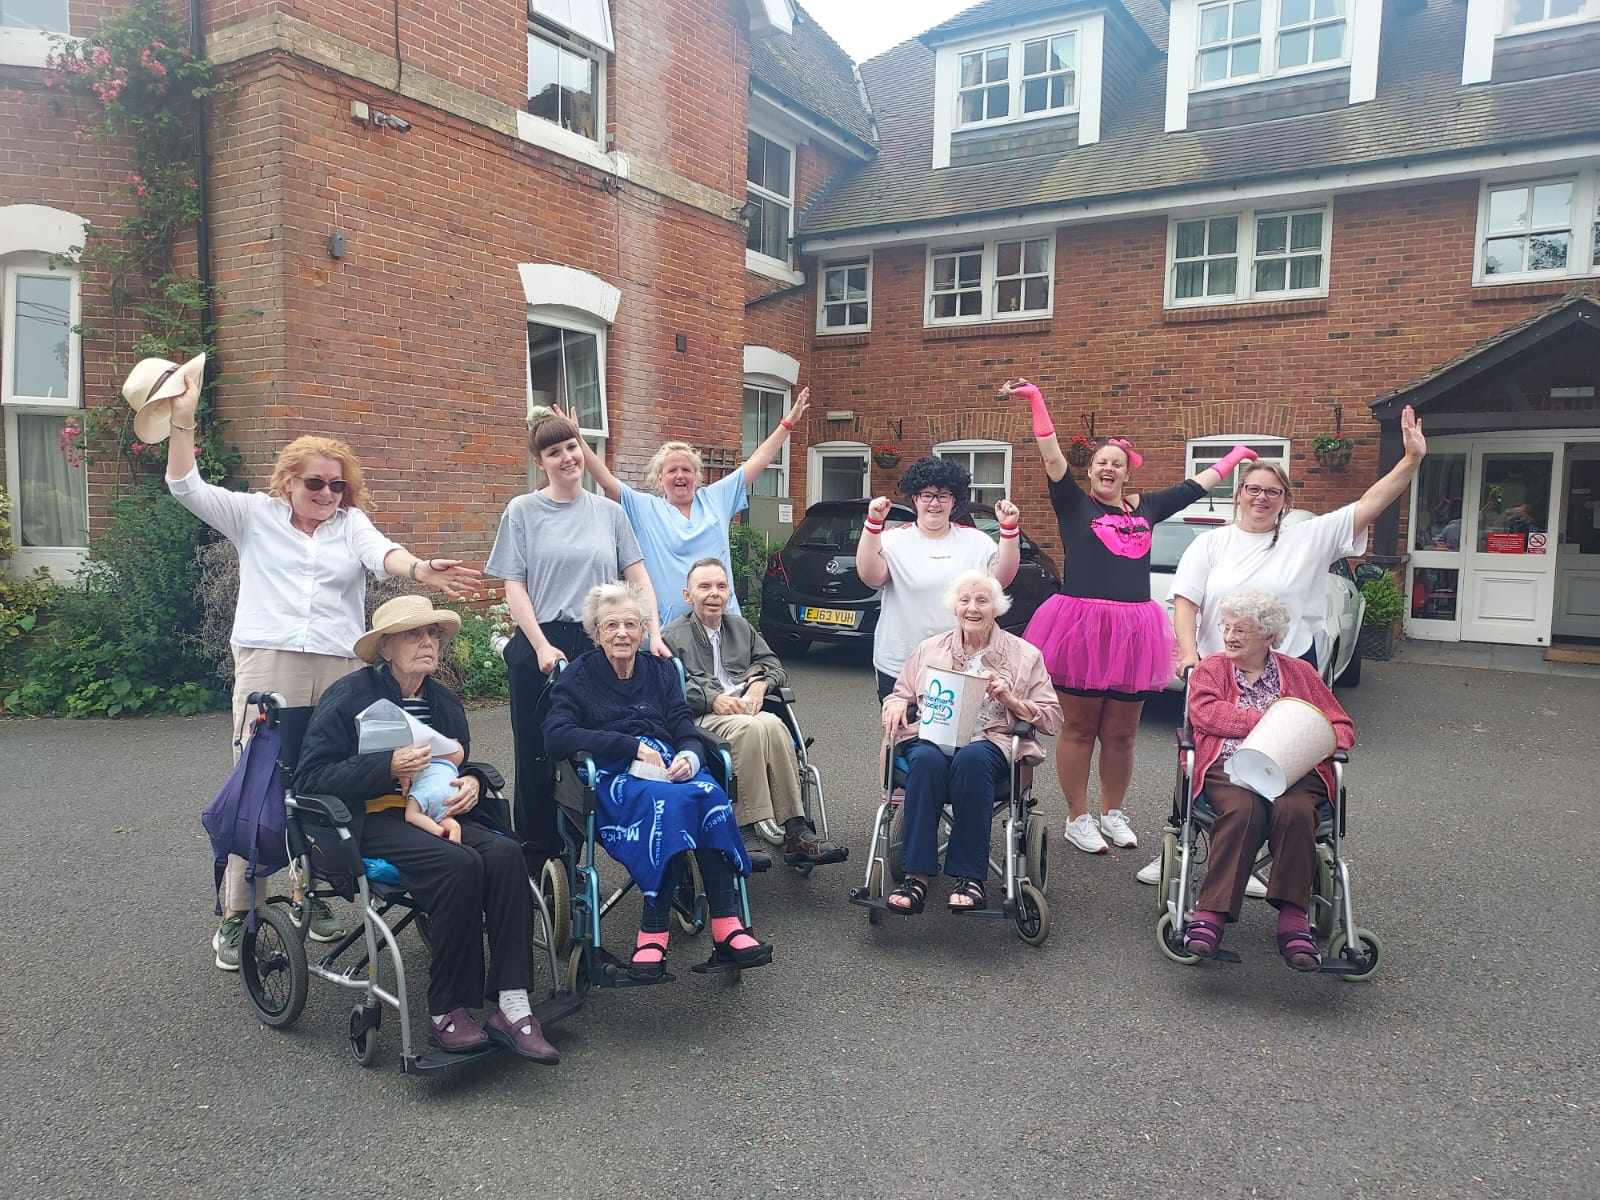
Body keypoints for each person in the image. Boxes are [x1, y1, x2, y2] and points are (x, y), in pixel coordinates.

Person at [159, 365, 479, 970]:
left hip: (338, 665)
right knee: (261, 783)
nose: (328, 495)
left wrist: (419, 571)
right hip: (270, 660)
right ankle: (238, 913)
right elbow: (185, 486)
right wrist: (182, 422)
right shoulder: (253, 515)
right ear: (288, 482)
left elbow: (381, 553)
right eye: (316, 483)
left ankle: (317, 892)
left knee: (339, 777)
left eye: (338, 486)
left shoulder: (349, 525)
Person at [1133, 405, 1427, 886]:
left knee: (1280, 764)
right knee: (1202, 759)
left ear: (1285, 500)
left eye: (1272, 491)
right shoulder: (1211, 545)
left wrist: (1410, 460)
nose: (1261, 498)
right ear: (1239, 494)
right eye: (1253, 489)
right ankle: (1179, 841)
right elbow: (1184, 602)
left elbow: (1370, 503)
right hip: (1218, 670)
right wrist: (1189, 655)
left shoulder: (1308, 538)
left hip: (1287, 674)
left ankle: (1256, 858)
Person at [294, 596, 561, 1061]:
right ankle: (448, 1011)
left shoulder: (443, 701)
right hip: (372, 817)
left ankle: (512, 1002)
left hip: (435, 812)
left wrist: (473, 783)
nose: (427, 642)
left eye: (432, 634)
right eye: (413, 634)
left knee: (505, 855)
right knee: (456, 865)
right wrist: (385, 765)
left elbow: (459, 762)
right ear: (386, 648)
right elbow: (311, 778)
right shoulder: (351, 696)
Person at [1003, 377, 1259, 857]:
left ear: (1126, 472)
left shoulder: (1148, 508)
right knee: (1079, 727)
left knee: (1121, 731)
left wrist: (1234, 456)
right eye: (1101, 462)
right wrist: (1037, 399)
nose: (1107, 469)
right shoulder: (1072, 502)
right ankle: (1078, 816)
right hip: (1080, 626)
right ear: (1093, 470)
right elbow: (1051, 453)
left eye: (1116, 464)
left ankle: (1113, 812)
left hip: (1134, 629)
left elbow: (1193, 487)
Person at [543, 583, 772, 982]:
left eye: (631, 624)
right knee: (665, 806)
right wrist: (628, 746)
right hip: (612, 773)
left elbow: (682, 724)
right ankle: (653, 930)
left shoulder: (660, 670)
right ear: (595, 632)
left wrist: (689, 754)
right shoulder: (578, 676)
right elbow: (556, 734)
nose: (622, 634)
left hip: (666, 764)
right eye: (611, 625)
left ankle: (728, 925)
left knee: (709, 793)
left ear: (643, 629)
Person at [486, 410, 671, 857]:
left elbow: (638, 576)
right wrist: (541, 645)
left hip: (598, 642)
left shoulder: (609, 513)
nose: (567, 458)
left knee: (596, 749)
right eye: (554, 452)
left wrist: (654, 631)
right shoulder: (523, 511)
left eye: (572, 447)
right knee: (536, 753)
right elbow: (515, 585)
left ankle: (596, 844)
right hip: (540, 642)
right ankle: (536, 857)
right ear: (540, 462)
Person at [1179, 590, 1355, 971]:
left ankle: (1293, 918)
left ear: (1269, 636)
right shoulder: (1212, 669)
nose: (1229, 637)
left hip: (1292, 769)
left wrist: (1320, 739)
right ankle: (1211, 913)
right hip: (1230, 766)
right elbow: (1205, 714)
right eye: (1226, 628)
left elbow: (1339, 723)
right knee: (1243, 811)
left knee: (1294, 811)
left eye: (1241, 630)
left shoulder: (1300, 673)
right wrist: (1272, 721)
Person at [881, 571, 1062, 914]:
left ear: (997, 607)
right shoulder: (930, 649)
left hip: (991, 742)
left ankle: (969, 877)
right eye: (964, 600)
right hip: (933, 737)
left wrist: (1011, 700)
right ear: (954, 607)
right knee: (926, 762)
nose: (972, 608)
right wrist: (893, 705)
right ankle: (915, 876)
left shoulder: (1025, 655)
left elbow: (1052, 718)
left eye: (982, 600)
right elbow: (901, 692)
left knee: (973, 760)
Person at [558, 387, 811, 625]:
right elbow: (606, 480)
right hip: (669, 633)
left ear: (697, 477)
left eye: (687, 470)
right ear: (660, 479)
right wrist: (577, 440)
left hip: (721, 626)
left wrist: (787, 424)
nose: (680, 475)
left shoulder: (715, 499)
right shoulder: (646, 509)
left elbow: (758, 461)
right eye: (672, 470)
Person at [663, 557, 846, 867]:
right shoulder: (672, 636)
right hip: (701, 719)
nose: (714, 594)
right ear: (687, 595)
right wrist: (712, 699)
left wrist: (760, 685)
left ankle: (796, 829)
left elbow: (774, 664)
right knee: (751, 729)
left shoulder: (739, 627)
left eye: (721, 586)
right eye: (704, 587)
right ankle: (745, 829)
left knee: (773, 724)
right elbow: (669, 687)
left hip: (745, 709)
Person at [855, 456, 1022, 702]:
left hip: (960, 662)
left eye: (943, 496)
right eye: (927, 495)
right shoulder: (893, 540)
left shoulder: (975, 541)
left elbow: (1001, 579)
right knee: (899, 734)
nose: (935, 503)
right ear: (915, 498)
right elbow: (871, 575)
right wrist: (873, 523)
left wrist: (1009, 530)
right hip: (900, 660)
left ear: (953, 501)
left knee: (958, 735)